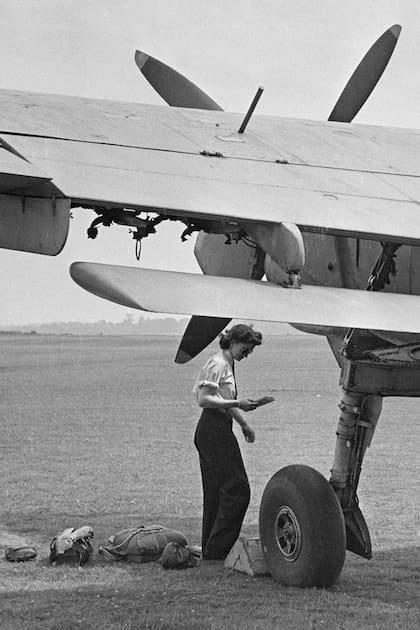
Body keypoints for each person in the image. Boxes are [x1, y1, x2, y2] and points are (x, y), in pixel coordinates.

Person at [193, 323, 270, 561]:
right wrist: (239, 404)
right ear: (233, 342)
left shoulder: (228, 362)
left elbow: (223, 397)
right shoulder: (218, 364)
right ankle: (219, 549)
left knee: (216, 492)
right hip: (212, 430)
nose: (246, 355)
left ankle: (211, 550)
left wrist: (243, 422)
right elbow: (205, 399)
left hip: (215, 428)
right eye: (245, 350)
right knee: (239, 491)